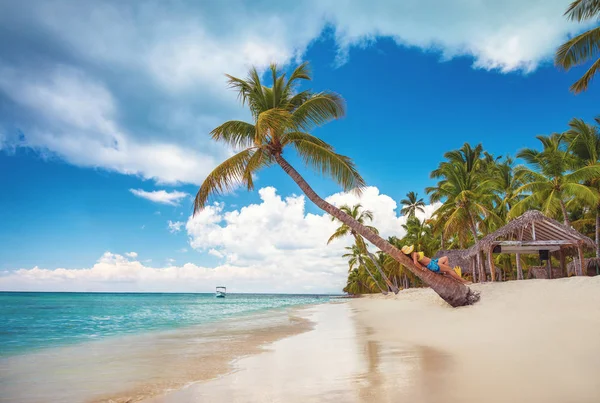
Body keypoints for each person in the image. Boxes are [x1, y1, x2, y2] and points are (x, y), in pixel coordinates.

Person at [401, 245, 469, 284]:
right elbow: (415, 263)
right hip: (432, 265)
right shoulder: (414, 254)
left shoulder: (413, 255)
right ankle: (462, 280)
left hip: (433, 262)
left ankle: (446, 273)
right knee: (450, 269)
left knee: (445, 258)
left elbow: (417, 262)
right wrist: (422, 268)